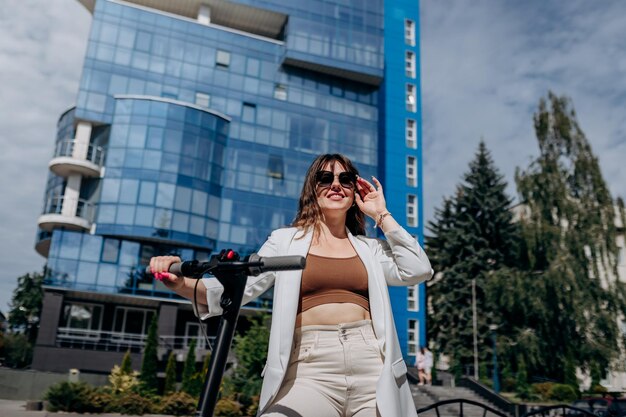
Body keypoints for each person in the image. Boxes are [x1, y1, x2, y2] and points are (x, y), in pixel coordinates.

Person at [150, 153, 433, 417]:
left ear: (354, 191)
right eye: (325, 178)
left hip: (372, 366)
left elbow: (418, 269)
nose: (336, 185)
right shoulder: (285, 241)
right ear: (313, 188)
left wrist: (381, 214)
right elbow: (236, 290)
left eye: (345, 179)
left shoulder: (370, 248)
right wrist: (180, 282)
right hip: (310, 371)